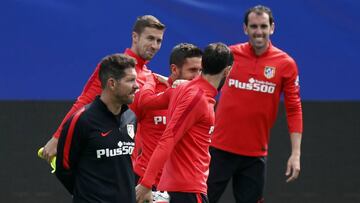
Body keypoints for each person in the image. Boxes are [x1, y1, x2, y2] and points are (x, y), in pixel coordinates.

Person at [207, 5, 303, 203]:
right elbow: (202, 88)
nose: (258, 32)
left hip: (254, 156)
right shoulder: (229, 55)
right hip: (217, 149)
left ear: (272, 27)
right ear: (245, 28)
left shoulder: (286, 64)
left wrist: (296, 154)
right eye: (253, 26)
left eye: (263, 26)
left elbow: (294, 109)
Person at [41, 15, 165, 162]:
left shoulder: (150, 76)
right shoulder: (115, 66)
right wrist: (57, 138)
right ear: (135, 37)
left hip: (131, 162)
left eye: (159, 41)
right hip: (103, 155)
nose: (155, 46)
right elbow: (84, 102)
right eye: (150, 38)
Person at [136, 43, 233, 203]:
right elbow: (168, 139)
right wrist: (146, 184)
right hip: (187, 190)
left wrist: (149, 81)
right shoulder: (197, 98)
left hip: (180, 188)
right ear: (227, 71)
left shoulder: (183, 89)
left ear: (203, 65)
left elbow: (146, 102)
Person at [55, 53, 139, 202]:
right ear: (112, 83)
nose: (136, 86)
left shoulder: (131, 118)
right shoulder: (81, 120)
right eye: (131, 80)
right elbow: (64, 169)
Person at [133, 43, 203, 185]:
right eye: (192, 70)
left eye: (201, 71)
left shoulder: (199, 97)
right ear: (174, 69)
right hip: (147, 183)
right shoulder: (152, 91)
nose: (197, 77)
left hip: (180, 186)